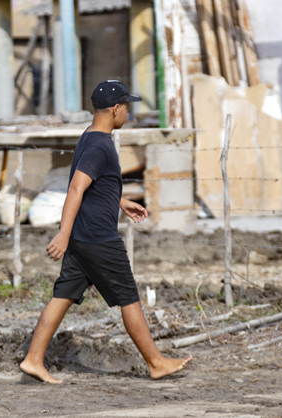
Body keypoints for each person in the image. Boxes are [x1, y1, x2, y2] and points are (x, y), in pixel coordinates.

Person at [19, 80, 192, 384]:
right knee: (128, 297)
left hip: (83, 238)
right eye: (127, 107)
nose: (129, 112)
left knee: (62, 296)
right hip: (98, 239)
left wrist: (121, 202)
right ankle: (156, 363)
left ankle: (33, 359)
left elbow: (95, 185)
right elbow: (75, 188)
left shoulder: (90, 136)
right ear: (115, 109)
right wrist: (62, 233)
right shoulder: (100, 146)